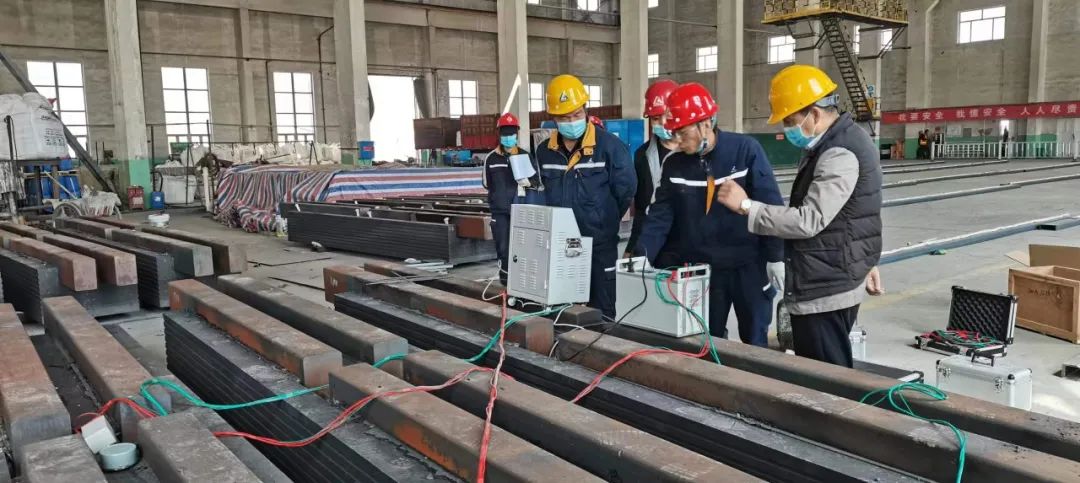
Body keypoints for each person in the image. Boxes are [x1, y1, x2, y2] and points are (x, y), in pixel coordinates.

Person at [715, 64, 884, 367]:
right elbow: (856, 214)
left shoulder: (839, 153)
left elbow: (809, 220)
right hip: (834, 273)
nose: (786, 129)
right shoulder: (841, 141)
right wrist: (866, 261)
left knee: (824, 375)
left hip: (826, 286)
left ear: (814, 114)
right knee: (824, 370)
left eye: (790, 121)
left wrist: (747, 207)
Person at [636, 82, 785, 347]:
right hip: (704, 269)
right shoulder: (674, 164)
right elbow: (660, 215)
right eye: (675, 133)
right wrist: (642, 255)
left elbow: (770, 205)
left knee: (755, 340)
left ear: (705, 124)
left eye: (683, 133)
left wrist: (776, 256)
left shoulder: (745, 151)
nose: (678, 141)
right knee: (705, 340)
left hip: (749, 266)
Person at [535, 74, 636, 318]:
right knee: (564, 309)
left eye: (576, 114)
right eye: (564, 117)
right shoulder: (544, 152)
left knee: (603, 309)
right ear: (553, 118)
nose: (572, 121)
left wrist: (603, 219)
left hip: (599, 244)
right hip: (561, 245)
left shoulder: (609, 147)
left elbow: (626, 190)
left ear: (586, 110)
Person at [625, 79, 681, 265]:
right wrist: (632, 247)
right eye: (656, 118)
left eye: (667, 116)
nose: (663, 123)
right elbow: (642, 208)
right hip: (656, 243)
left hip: (690, 244)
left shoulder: (695, 153)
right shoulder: (643, 155)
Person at [482, 112, 541, 285]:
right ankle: (506, 283)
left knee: (524, 248)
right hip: (500, 211)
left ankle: (524, 283)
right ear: (499, 134)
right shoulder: (491, 158)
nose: (508, 137)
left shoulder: (525, 156)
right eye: (505, 134)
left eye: (511, 133)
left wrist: (527, 182)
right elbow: (486, 183)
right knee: (503, 248)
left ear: (516, 134)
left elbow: (537, 181)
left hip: (522, 210)